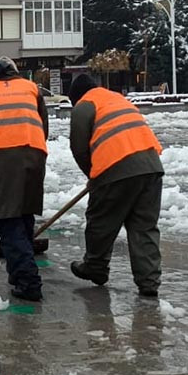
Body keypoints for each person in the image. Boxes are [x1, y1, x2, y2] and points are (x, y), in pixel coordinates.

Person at [67, 74, 165, 298]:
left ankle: (96, 267)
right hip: (151, 166)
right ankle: (149, 283)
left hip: (116, 167)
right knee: (144, 228)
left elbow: (79, 148)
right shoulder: (116, 98)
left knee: (101, 220)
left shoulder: (84, 105)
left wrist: (94, 175)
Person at [0, 58, 49, 302]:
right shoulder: (31, 88)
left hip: (0, 156)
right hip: (34, 154)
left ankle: (28, 281)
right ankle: (17, 274)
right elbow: (43, 125)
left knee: (6, 219)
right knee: (24, 214)